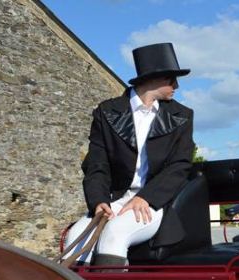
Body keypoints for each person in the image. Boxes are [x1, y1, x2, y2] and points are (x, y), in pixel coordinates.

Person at [64, 42, 194, 267]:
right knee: (75, 236)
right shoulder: (106, 112)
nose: (177, 86)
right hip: (115, 200)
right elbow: (97, 164)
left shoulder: (181, 115)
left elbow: (180, 165)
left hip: (154, 203)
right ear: (158, 77)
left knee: (115, 232)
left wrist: (145, 197)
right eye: (173, 78)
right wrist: (99, 202)